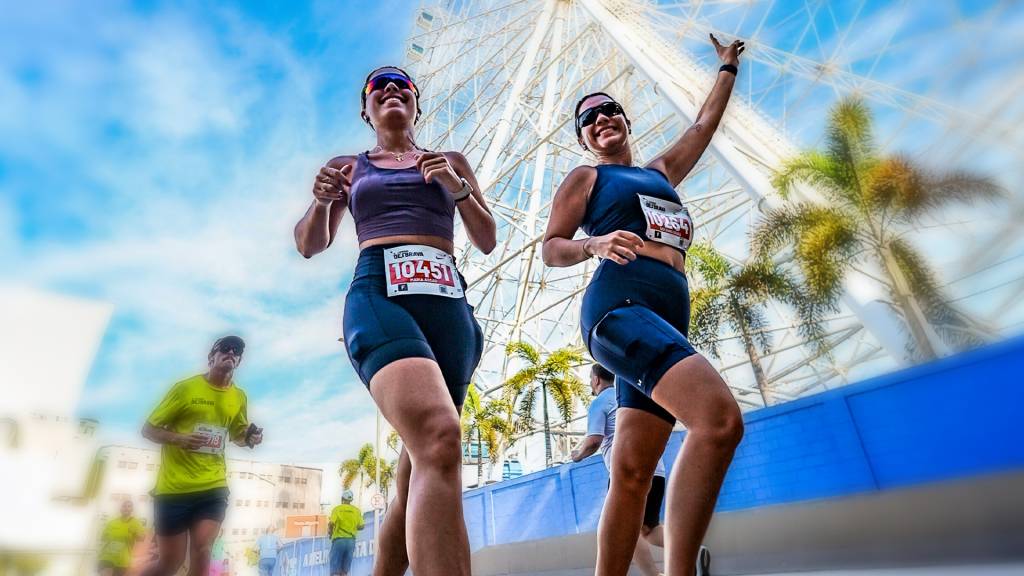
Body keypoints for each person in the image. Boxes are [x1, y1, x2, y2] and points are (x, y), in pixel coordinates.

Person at [543, 34, 746, 576]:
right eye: (589, 118)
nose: (602, 118)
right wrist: (594, 243)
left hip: (665, 317)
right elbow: (551, 247)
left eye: (611, 110)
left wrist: (726, 67)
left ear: (626, 122)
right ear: (584, 137)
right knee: (719, 422)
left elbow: (703, 127)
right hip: (619, 309)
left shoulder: (659, 173)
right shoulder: (588, 178)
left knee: (632, 473)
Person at [295, 65, 495, 576]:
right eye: (376, 87)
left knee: (417, 479)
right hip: (380, 293)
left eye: (402, 85)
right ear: (366, 111)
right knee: (439, 436)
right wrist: (321, 201)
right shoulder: (349, 166)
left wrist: (457, 189)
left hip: (449, 306)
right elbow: (309, 244)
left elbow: (487, 237)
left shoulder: (450, 160)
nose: (390, 89)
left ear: (416, 105)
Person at [139, 335, 264, 576]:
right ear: (211, 358)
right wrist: (179, 439)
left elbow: (237, 434)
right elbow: (148, 429)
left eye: (237, 351)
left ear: (238, 361)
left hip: (212, 486)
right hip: (173, 488)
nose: (231, 352)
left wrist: (250, 438)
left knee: (202, 548)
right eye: (225, 348)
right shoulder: (185, 388)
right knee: (169, 564)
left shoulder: (239, 397)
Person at [572, 364, 669, 576]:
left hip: (625, 471)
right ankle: (693, 551)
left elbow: (593, 441)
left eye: (590, 378)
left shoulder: (599, 403)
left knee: (622, 530)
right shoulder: (623, 400)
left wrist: (576, 455)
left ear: (596, 379)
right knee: (649, 530)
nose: (590, 382)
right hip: (656, 469)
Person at [97, 499, 145, 576]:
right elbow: (103, 538)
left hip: (123, 561)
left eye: (129, 506)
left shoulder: (136, 523)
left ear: (132, 509)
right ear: (120, 509)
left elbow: (142, 538)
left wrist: (135, 533)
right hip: (107, 557)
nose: (126, 508)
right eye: (124, 506)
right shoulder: (112, 522)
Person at [328, 490, 365, 576]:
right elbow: (362, 526)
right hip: (351, 541)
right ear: (351, 500)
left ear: (342, 499)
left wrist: (330, 533)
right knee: (344, 571)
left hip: (339, 541)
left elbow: (331, 523)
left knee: (334, 569)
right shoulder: (356, 511)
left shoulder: (337, 509)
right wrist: (352, 527)